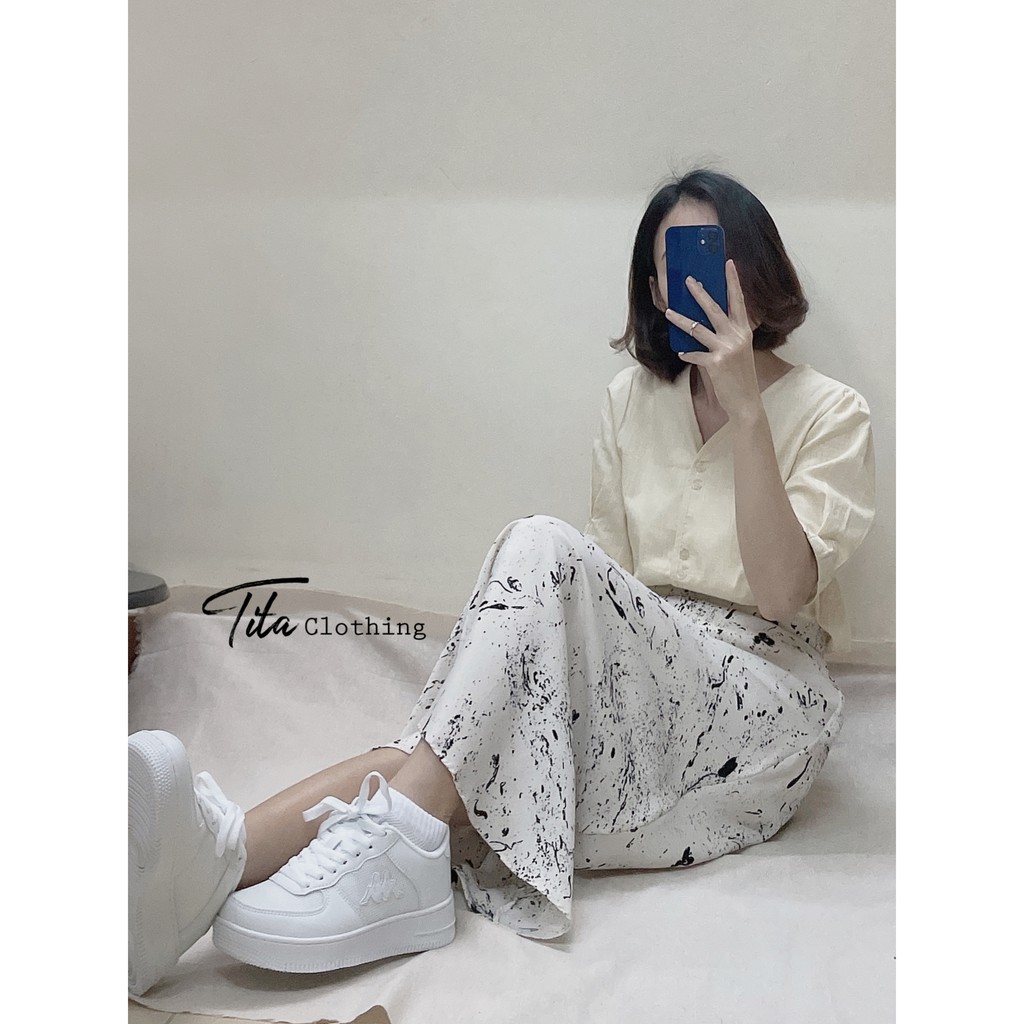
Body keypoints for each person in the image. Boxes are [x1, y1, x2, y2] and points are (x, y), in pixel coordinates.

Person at [128, 168, 875, 996]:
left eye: (710, 252)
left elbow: (780, 593)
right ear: (654, 287)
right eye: (671, 264)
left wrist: (746, 412)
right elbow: (606, 592)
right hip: (645, 675)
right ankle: (210, 868)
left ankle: (388, 854)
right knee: (454, 744)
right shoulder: (632, 400)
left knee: (536, 551)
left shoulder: (831, 411)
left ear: (754, 267)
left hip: (761, 701)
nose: (691, 279)